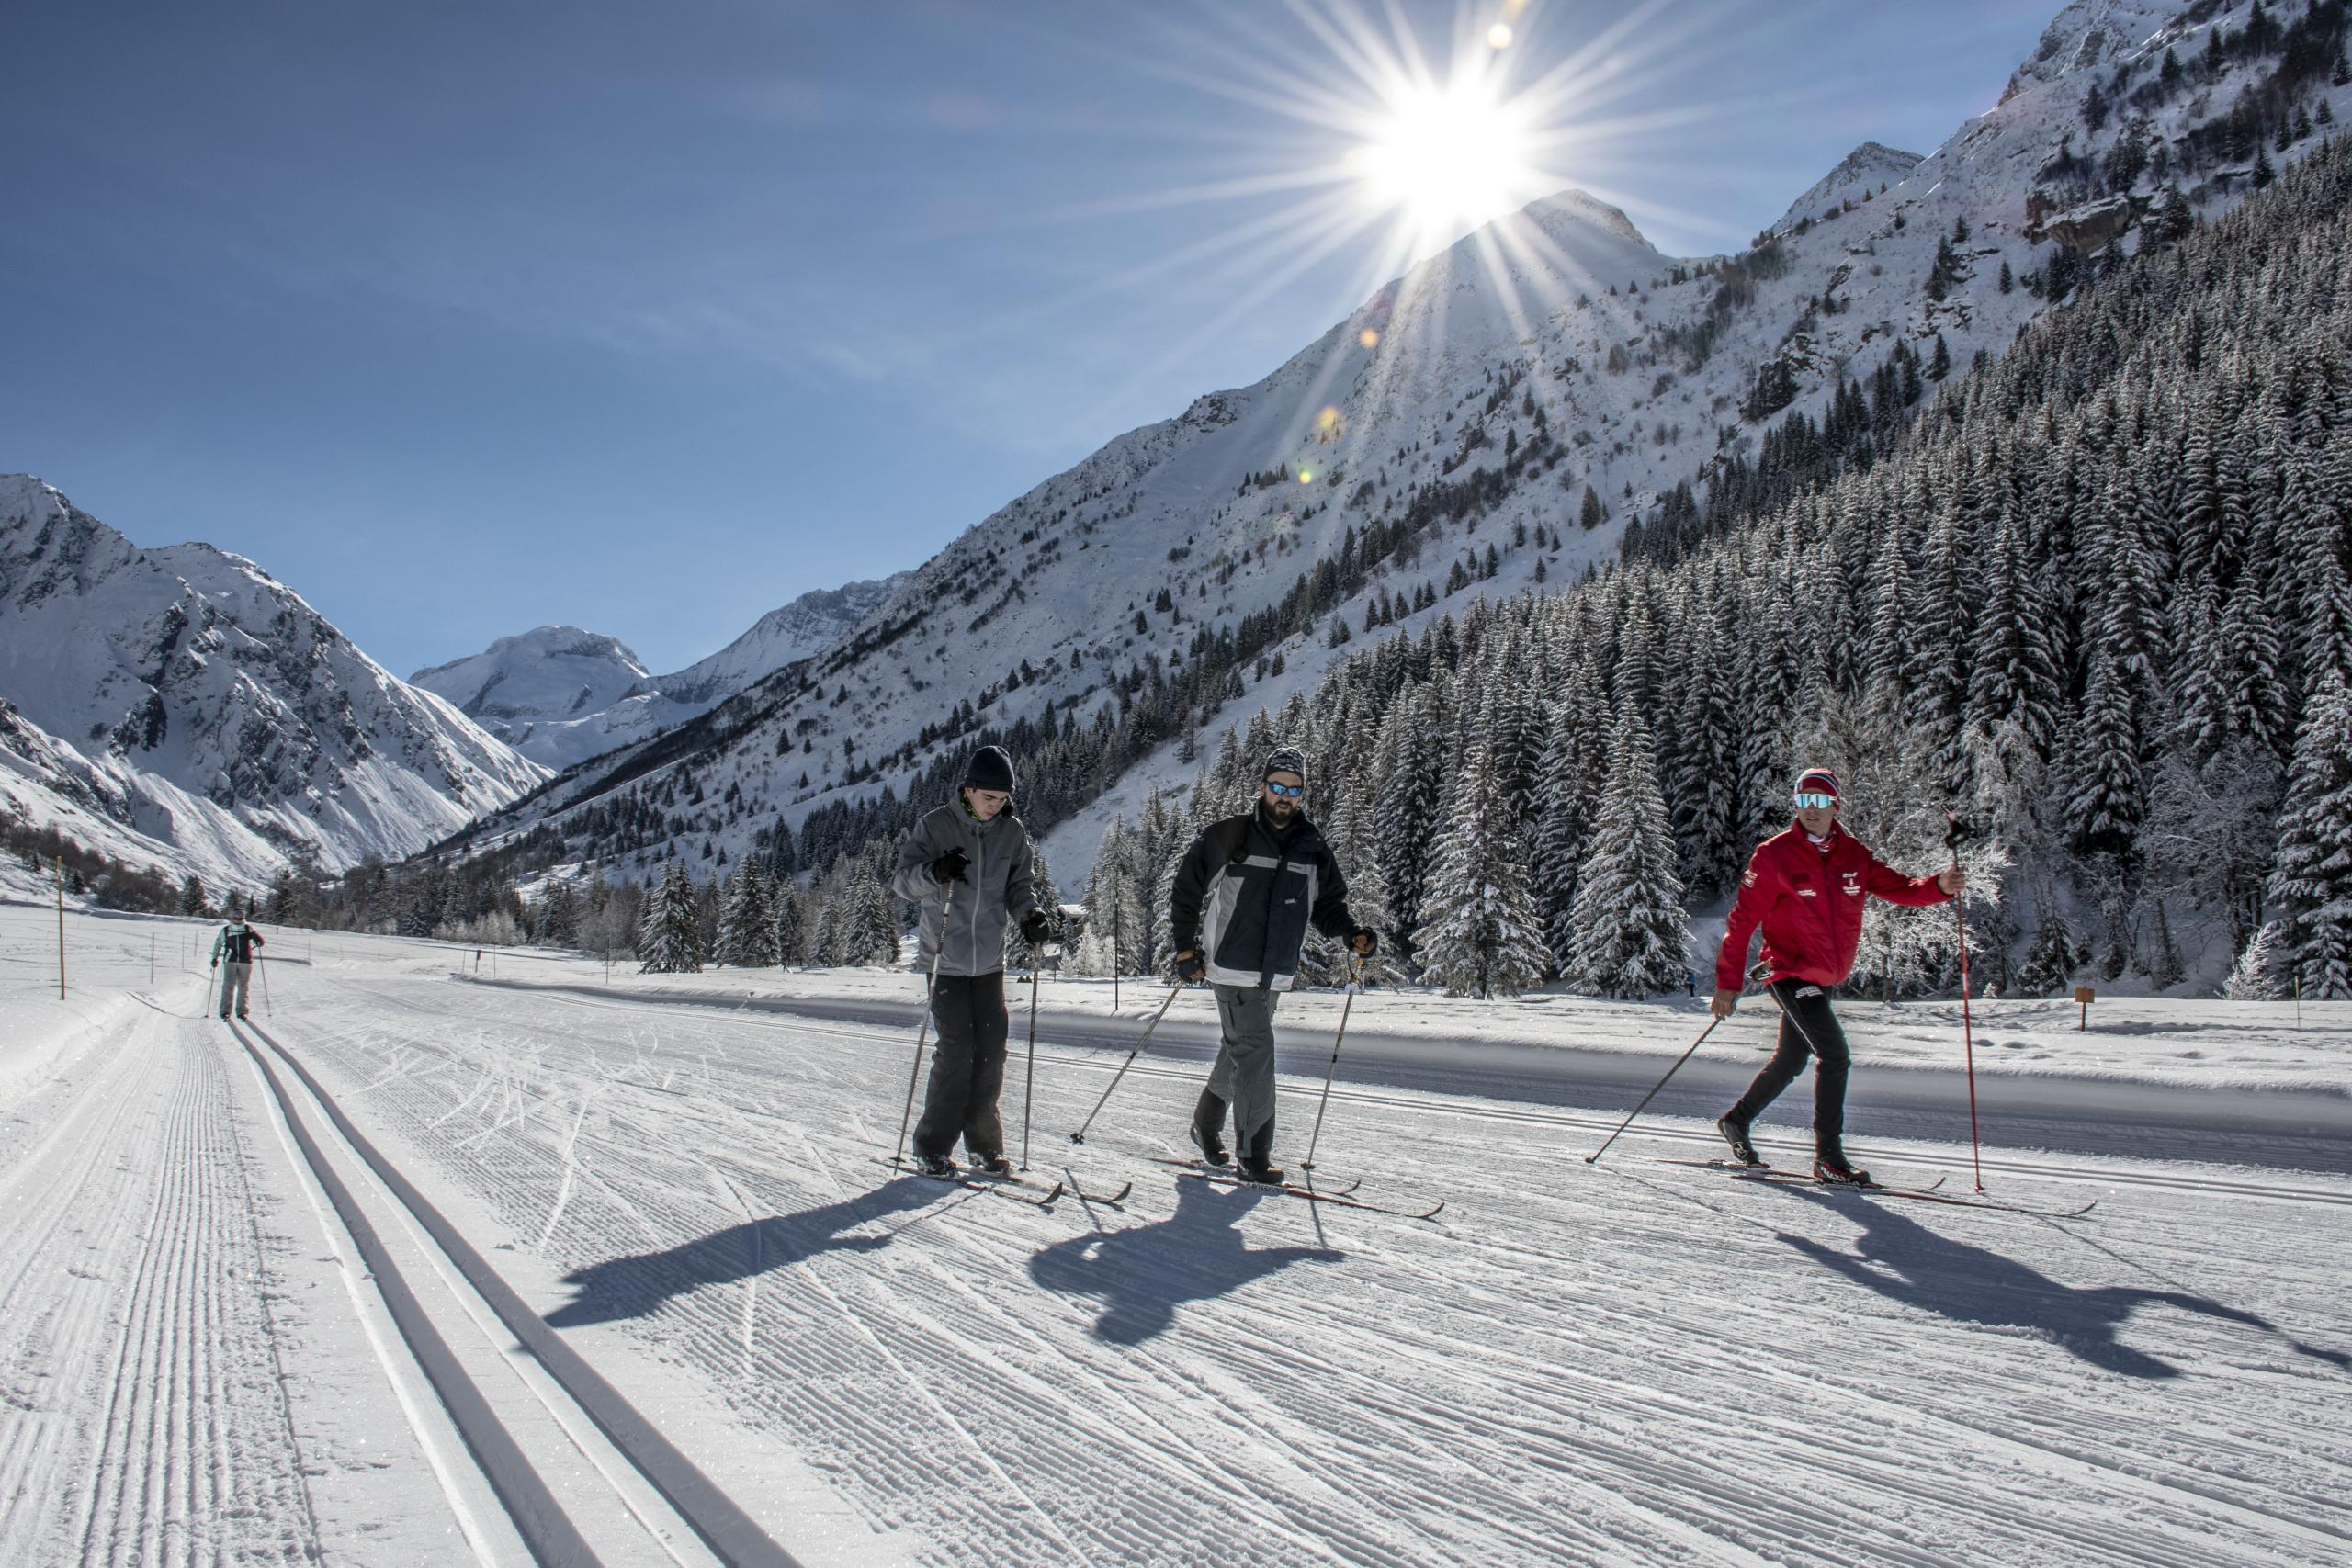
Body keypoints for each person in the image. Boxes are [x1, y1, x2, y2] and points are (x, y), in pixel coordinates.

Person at [1711, 767, 1963, 1183]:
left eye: (1820, 800)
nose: (1812, 809)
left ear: (1835, 805)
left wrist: (1941, 886)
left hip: (1824, 976)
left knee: (1791, 1060)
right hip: (1789, 973)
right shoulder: (1773, 856)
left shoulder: (1853, 855)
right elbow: (1741, 923)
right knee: (1836, 1053)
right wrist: (1727, 983)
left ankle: (1736, 1122)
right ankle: (1828, 1157)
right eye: (1804, 800)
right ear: (1796, 805)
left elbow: (1901, 888)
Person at [1169, 747, 1376, 1186]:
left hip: (1276, 971)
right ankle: (1254, 1155)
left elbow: (1328, 905)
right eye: (1277, 786)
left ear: (1302, 795)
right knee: (1256, 1053)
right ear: (1262, 787)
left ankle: (1205, 1125)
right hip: (1230, 966)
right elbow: (1187, 886)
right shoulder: (1234, 834)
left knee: (1239, 1048)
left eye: (1293, 789)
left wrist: (1350, 934)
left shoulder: (1312, 846)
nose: (1285, 795)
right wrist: (1186, 949)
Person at [891, 745, 1056, 1179]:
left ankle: (984, 1146)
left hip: (989, 962)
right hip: (944, 959)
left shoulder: (1011, 832)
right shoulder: (935, 826)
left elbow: (1020, 885)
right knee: (956, 1053)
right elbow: (903, 883)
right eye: (989, 798)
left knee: (990, 1055)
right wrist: (936, 871)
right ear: (968, 790)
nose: (996, 806)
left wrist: (1029, 915)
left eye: (1002, 799)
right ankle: (932, 1147)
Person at [210, 910, 266, 1021]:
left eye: (240, 918)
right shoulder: (226, 930)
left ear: (243, 918)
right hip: (230, 961)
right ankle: (225, 1012)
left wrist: (258, 940)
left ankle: (242, 1012)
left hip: (245, 961)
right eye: (235, 918)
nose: (238, 920)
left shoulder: (248, 928)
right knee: (228, 986)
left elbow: (261, 941)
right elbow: (218, 943)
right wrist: (214, 958)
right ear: (232, 918)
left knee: (243, 987)